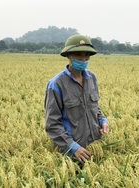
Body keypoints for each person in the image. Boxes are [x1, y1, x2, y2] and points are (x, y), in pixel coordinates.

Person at [44, 34, 109, 163]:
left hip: (94, 148)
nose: (83, 59)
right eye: (79, 55)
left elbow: (94, 107)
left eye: (87, 56)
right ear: (68, 55)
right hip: (71, 155)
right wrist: (73, 147)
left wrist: (103, 121)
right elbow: (52, 124)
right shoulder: (56, 85)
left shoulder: (92, 78)